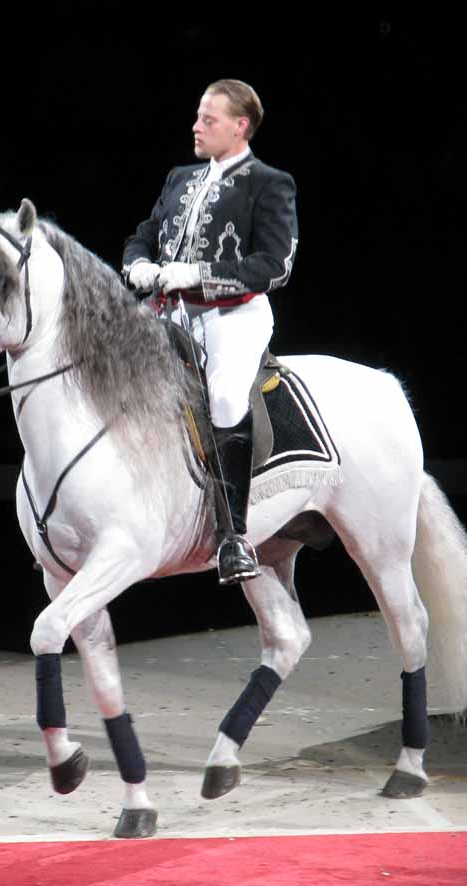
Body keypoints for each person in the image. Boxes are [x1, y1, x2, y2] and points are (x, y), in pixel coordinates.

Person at [122, 79, 298, 585]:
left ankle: (234, 538)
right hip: (168, 309)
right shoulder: (180, 177)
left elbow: (275, 264)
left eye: (209, 119)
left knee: (223, 396)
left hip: (233, 315)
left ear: (240, 126)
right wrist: (137, 264)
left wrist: (199, 275)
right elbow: (144, 233)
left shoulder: (269, 182)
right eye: (198, 117)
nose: (197, 127)